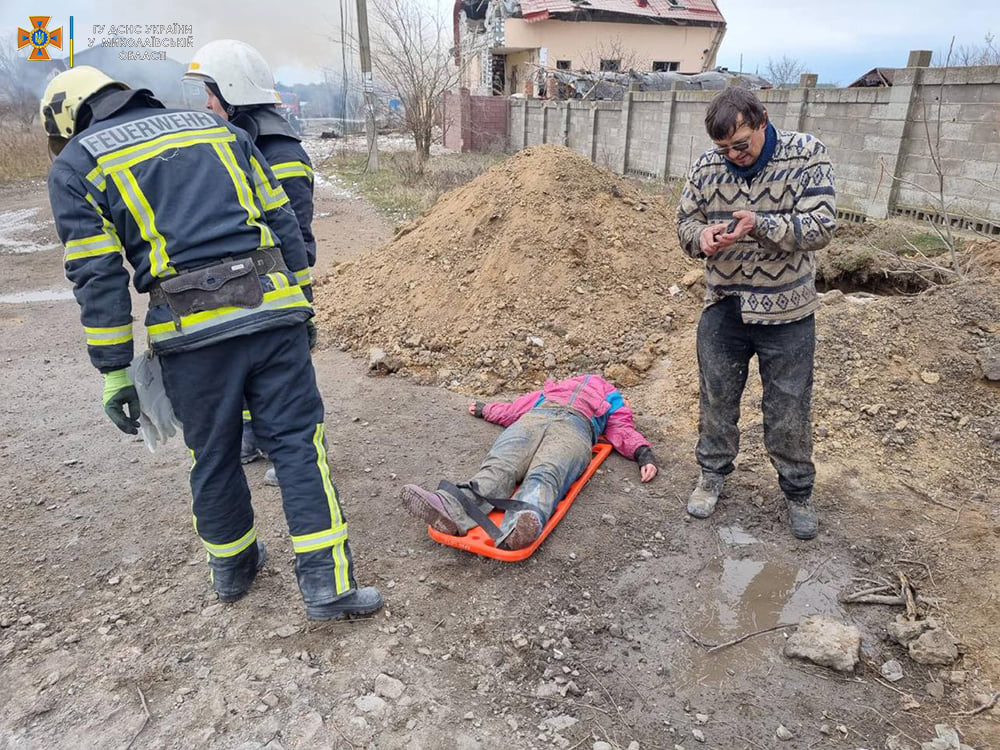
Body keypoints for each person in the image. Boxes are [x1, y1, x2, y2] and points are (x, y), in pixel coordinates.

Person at [41, 65, 382, 620]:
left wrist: (114, 371)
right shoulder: (219, 130)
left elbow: (96, 274)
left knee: (213, 454)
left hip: (190, 336)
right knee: (298, 444)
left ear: (70, 117)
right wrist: (303, 303)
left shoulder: (80, 162)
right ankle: (327, 585)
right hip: (272, 313)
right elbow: (282, 221)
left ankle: (234, 570)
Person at [675, 87, 836, 540]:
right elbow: (684, 225)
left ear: (763, 119)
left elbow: (822, 226)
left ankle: (798, 493)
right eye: (724, 148)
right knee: (716, 400)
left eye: (741, 145)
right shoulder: (707, 167)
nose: (733, 156)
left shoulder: (806, 155)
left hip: (788, 313)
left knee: (788, 408)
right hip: (724, 307)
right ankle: (712, 475)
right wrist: (701, 237)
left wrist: (760, 225)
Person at [183, 40, 318, 468]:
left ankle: (294, 450)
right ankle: (253, 433)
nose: (207, 105)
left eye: (211, 95)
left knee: (283, 377)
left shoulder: (280, 154)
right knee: (245, 367)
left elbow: (292, 232)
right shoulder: (238, 146)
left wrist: (299, 298)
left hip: (276, 281)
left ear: (234, 96)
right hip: (246, 280)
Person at [400, 374, 658, 550]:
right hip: (536, 417)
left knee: (546, 473)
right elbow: (514, 409)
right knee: (500, 466)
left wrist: (643, 453)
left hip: (577, 426)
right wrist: (485, 409)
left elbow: (621, 429)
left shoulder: (612, 398)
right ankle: (449, 507)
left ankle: (522, 521)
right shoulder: (552, 389)